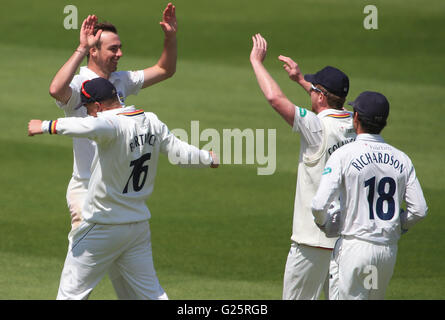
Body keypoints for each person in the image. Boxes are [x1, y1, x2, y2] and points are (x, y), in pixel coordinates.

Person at [28, 77, 219, 300]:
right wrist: (207, 158)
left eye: (88, 108)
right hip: (136, 228)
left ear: (98, 106)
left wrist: (44, 126)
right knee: (151, 296)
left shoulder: (110, 124)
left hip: (103, 226)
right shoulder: (151, 121)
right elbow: (180, 151)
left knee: (70, 295)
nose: (89, 113)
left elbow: (90, 125)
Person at [48, 4, 177, 298]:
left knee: (126, 278)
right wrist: (80, 47)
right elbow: (56, 90)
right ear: (94, 50)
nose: (119, 54)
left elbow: (165, 69)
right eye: (113, 49)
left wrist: (170, 37)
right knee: (77, 282)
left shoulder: (120, 82)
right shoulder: (80, 85)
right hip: (87, 191)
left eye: (120, 48)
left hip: (116, 194)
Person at [250, 33, 356, 300]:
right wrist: (301, 80)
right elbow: (326, 101)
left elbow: (276, 99)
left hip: (312, 241)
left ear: (320, 96)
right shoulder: (356, 125)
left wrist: (257, 63)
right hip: (348, 240)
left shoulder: (316, 127)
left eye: (314, 89)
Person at [311, 91, 428, 300]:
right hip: (386, 251)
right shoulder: (402, 159)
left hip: (354, 247)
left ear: (355, 117)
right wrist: (399, 225)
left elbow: (320, 205)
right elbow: (419, 209)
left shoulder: (344, 154)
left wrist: (325, 224)